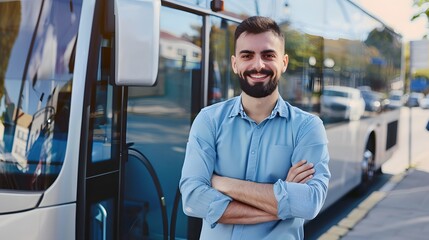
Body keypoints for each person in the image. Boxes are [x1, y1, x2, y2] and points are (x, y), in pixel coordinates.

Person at [179, 16, 330, 239]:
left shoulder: (307, 127)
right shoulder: (209, 120)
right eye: (247, 55)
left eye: (268, 55)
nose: (258, 65)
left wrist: (222, 183)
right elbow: (193, 199)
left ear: (284, 62)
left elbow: (308, 203)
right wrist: (283, 200)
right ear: (234, 63)